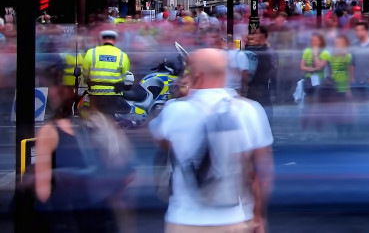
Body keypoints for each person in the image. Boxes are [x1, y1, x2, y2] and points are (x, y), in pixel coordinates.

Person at [149, 48, 274, 233]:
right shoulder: (249, 111)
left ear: (196, 75)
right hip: (235, 220)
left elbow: (159, 138)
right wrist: (258, 216)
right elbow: (262, 172)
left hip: (183, 220)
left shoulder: (174, 110)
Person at [34, 59, 133, 233]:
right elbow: (125, 173)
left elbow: (43, 191)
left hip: (76, 216)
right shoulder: (97, 125)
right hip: (95, 214)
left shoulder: (52, 131)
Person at [81, 30, 130, 116]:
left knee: (95, 116)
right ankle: (108, 128)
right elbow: (124, 74)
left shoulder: (91, 52)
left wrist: (88, 81)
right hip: (112, 93)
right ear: (114, 41)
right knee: (109, 117)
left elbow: (85, 72)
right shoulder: (122, 55)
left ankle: (95, 128)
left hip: (95, 92)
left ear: (102, 40)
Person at [246, 26, 278, 122]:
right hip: (255, 86)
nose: (253, 36)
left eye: (256, 33)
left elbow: (272, 70)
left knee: (263, 112)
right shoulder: (257, 49)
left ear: (263, 36)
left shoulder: (267, 51)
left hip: (261, 86)